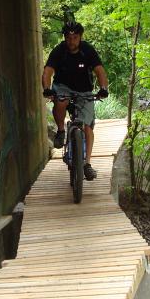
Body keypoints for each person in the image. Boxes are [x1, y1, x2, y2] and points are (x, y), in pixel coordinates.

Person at [42, 21, 109, 181]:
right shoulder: (59, 51)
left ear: (80, 37)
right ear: (65, 38)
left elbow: (99, 71)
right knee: (60, 102)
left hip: (84, 90)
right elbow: (47, 72)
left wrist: (104, 88)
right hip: (63, 86)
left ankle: (87, 164)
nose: (72, 41)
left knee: (87, 126)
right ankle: (60, 131)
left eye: (75, 37)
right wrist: (47, 89)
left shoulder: (87, 50)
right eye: (68, 37)